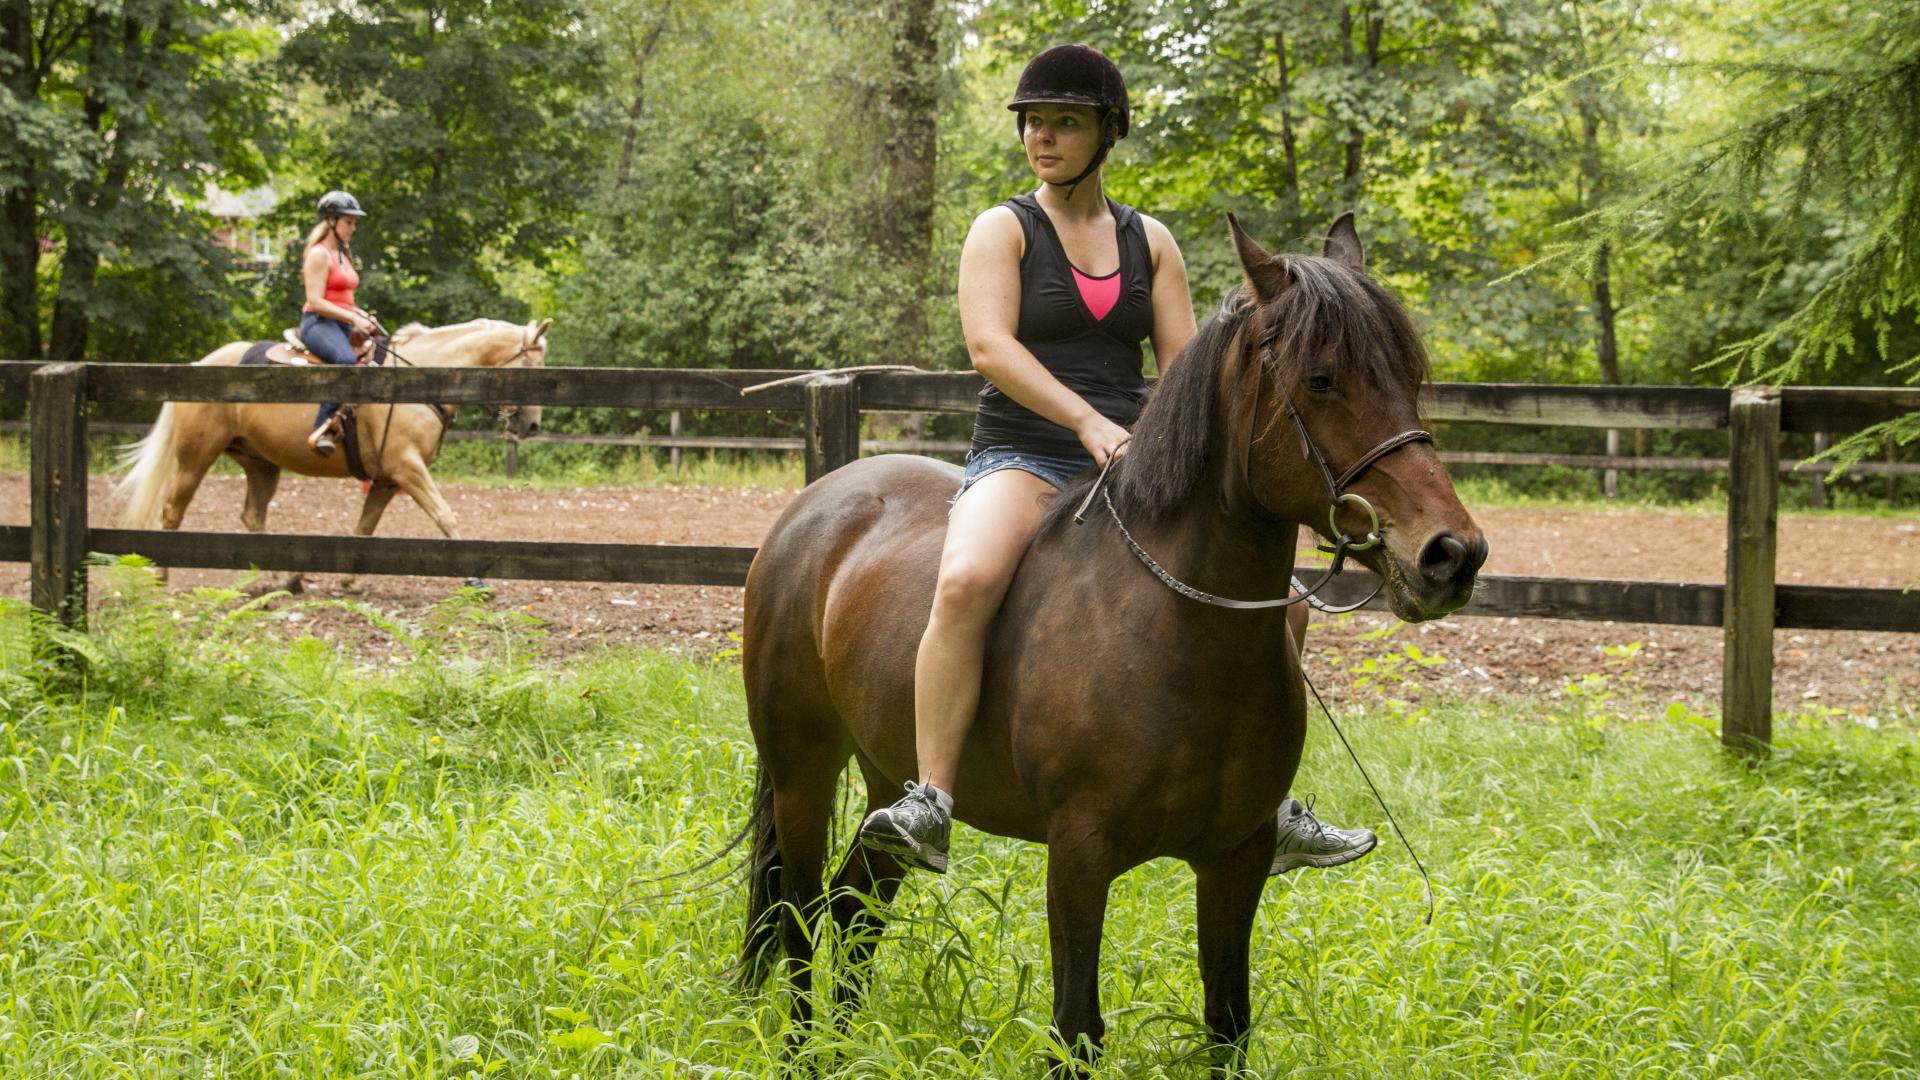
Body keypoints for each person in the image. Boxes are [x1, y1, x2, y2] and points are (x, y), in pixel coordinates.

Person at [857, 44, 1378, 877]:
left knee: (1286, 606)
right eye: (1034, 122)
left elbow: (1182, 372)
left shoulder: (1151, 242)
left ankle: (1263, 803)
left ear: (1108, 132)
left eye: (1065, 122)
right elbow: (990, 347)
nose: (1043, 137)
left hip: (1133, 463)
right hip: (1023, 454)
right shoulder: (1004, 229)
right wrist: (1086, 420)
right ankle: (931, 798)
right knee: (965, 580)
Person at [300, 190, 378, 455]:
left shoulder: (343, 255)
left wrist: (361, 315)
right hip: (318, 323)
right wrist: (353, 317)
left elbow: (343, 300)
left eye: (354, 222)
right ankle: (323, 426)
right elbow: (316, 300)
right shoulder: (319, 255)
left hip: (342, 323)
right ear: (331, 221)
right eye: (348, 222)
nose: (353, 228)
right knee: (345, 360)